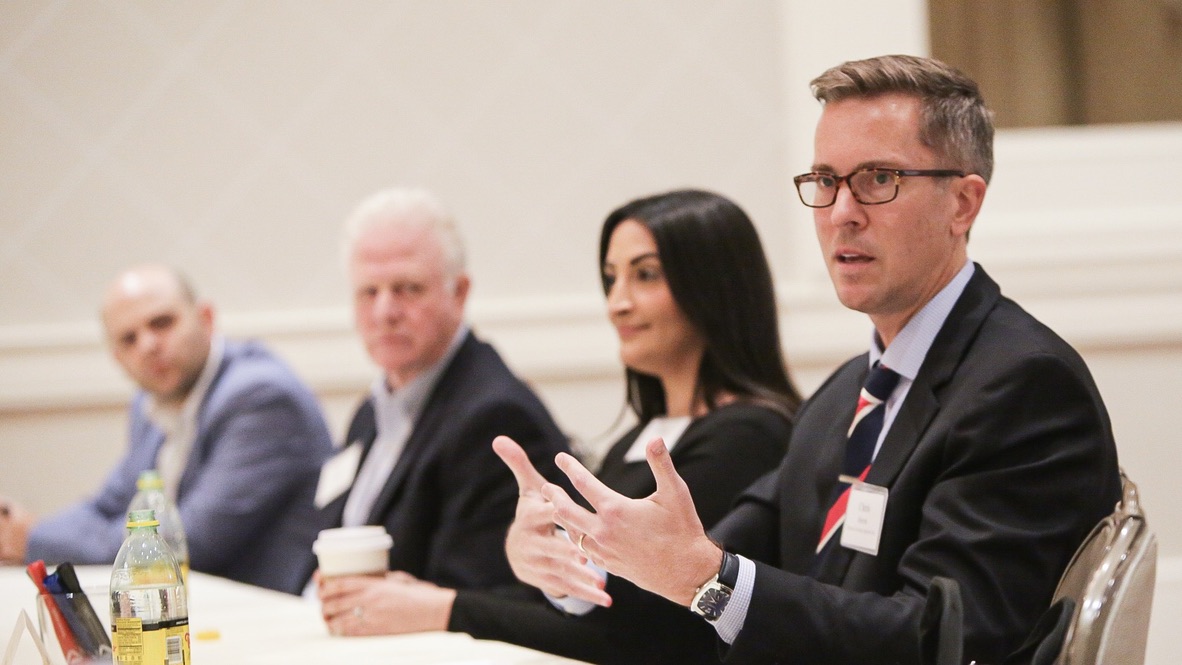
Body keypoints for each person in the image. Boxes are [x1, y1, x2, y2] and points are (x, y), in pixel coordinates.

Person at [533, 55, 1122, 664]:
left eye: (878, 179)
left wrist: (708, 576)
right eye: (825, 181)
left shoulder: (1024, 386)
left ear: (963, 204)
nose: (842, 212)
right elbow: (709, 554)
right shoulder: (848, 392)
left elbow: (942, 640)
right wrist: (581, 561)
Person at [318, 189, 802, 664]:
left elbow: (643, 631)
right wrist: (533, 563)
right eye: (611, 279)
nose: (618, 303)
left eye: (645, 276)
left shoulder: (746, 436)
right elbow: (585, 608)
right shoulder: (638, 439)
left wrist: (443, 608)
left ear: (714, 286)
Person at [0, 265, 334, 594]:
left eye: (162, 323)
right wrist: (22, 531)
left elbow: (189, 542)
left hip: (270, 612)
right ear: (118, 358)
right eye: (129, 339)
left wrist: (32, 538)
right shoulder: (151, 405)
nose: (148, 345)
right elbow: (108, 505)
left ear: (206, 318)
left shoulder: (260, 397)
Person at [305, 187, 570, 600]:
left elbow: (471, 599)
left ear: (459, 293)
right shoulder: (370, 411)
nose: (384, 312)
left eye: (408, 289)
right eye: (368, 292)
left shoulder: (494, 417)